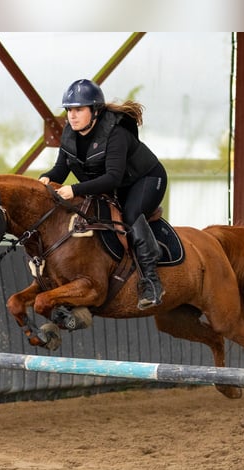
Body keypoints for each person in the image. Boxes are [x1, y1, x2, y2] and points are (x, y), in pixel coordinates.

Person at [39, 79, 167, 310]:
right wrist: (45, 178)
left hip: (146, 179)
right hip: (114, 185)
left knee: (130, 213)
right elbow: (60, 169)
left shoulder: (115, 134)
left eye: (79, 109)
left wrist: (75, 189)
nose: (72, 115)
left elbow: (112, 178)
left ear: (95, 111)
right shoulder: (69, 133)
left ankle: (151, 281)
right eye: (69, 110)